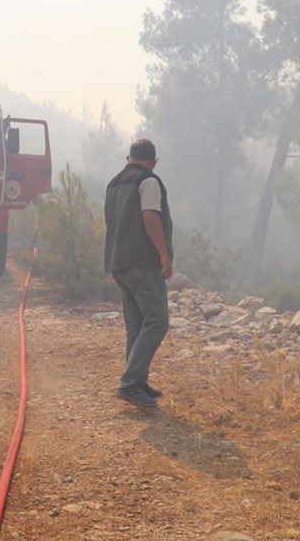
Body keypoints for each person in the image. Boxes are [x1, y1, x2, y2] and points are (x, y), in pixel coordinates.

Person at [103, 138, 174, 408]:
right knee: (157, 321)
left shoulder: (114, 183)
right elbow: (150, 217)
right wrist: (164, 256)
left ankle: (137, 381)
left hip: (117, 261)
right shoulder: (149, 181)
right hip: (143, 262)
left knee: (136, 325)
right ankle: (131, 382)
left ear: (128, 158)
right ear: (154, 161)